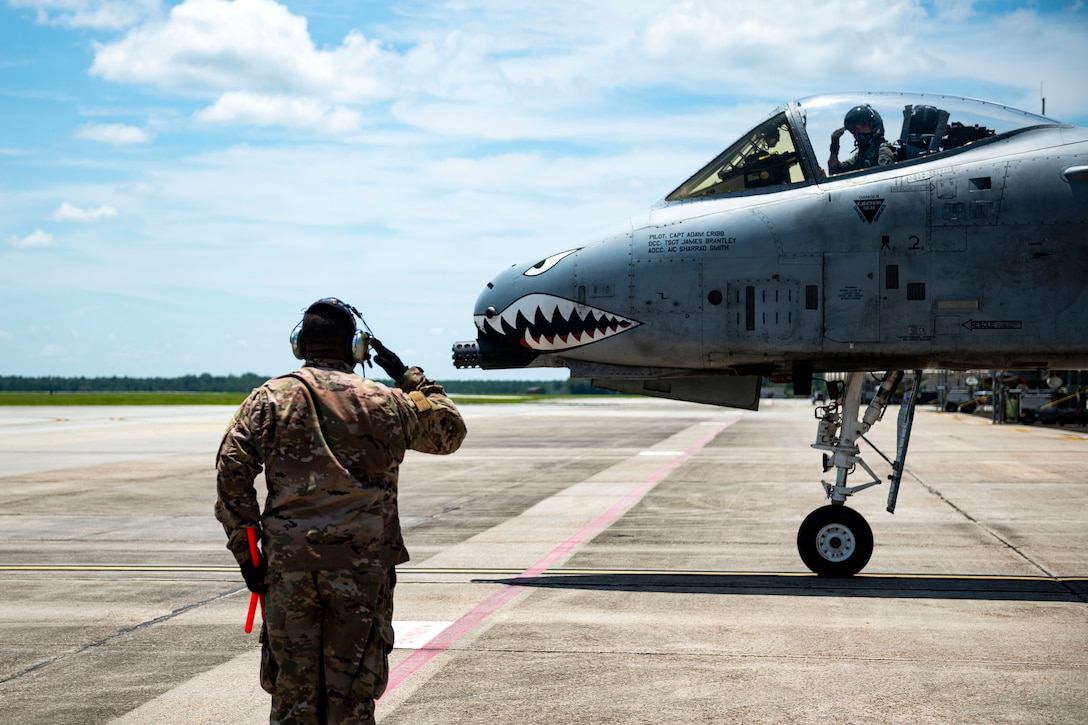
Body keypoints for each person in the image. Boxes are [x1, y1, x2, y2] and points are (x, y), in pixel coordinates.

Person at [215, 297, 467, 724]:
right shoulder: (386, 400)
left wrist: (249, 554)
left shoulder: (266, 400)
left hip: (288, 564)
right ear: (355, 348)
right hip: (361, 566)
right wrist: (409, 376)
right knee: (352, 693)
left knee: (293, 690)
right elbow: (449, 430)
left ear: (300, 344)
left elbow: (231, 476)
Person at [827, 104, 897, 174]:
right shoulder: (862, 156)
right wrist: (834, 150)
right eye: (855, 129)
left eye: (863, 126)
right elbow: (837, 172)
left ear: (875, 127)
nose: (858, 132)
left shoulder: (883, 152)